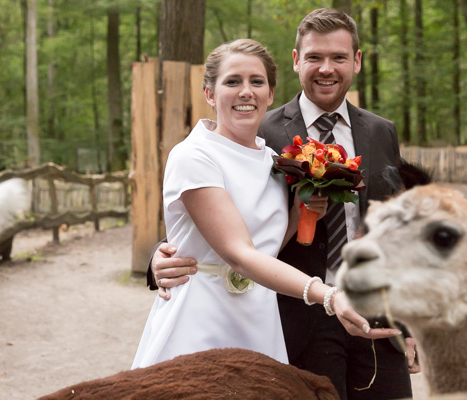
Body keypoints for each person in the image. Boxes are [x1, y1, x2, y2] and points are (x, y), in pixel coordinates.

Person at [147, 9, 420, 399]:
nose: (326, 69)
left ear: (356, 62)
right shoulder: (262, 131)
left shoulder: (381, 131)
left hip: (376, 316)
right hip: (297, 320)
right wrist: (160, 257)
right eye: (314, 57)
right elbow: (213, 219)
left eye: (338, 57)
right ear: (296, 61)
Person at [131, 38, 366, 369]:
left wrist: (301, 212)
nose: (246, 91)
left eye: (257, 82)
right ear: (210, 94)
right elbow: (239, 253)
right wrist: (326, 294)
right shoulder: (194, 155)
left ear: (270, 94)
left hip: (259, 315)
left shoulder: (273, 159)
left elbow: (264, 245)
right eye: (232, 81)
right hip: (202, 312)